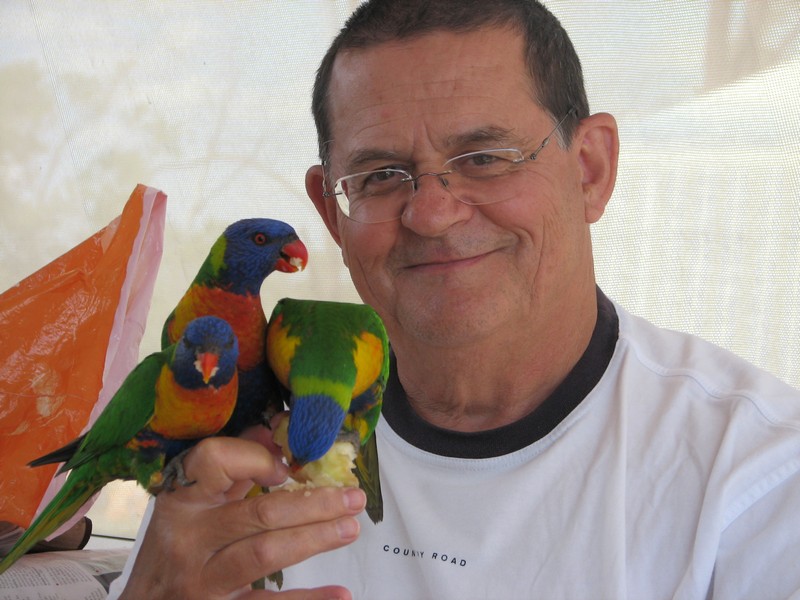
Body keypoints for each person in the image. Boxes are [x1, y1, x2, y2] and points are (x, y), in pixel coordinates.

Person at [110, 1, 800, 598]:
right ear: (331, 214)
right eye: (381, 175)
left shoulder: (758, 476)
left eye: (485, 158)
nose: (432, 213)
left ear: (590, 170)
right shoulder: (232, 446)